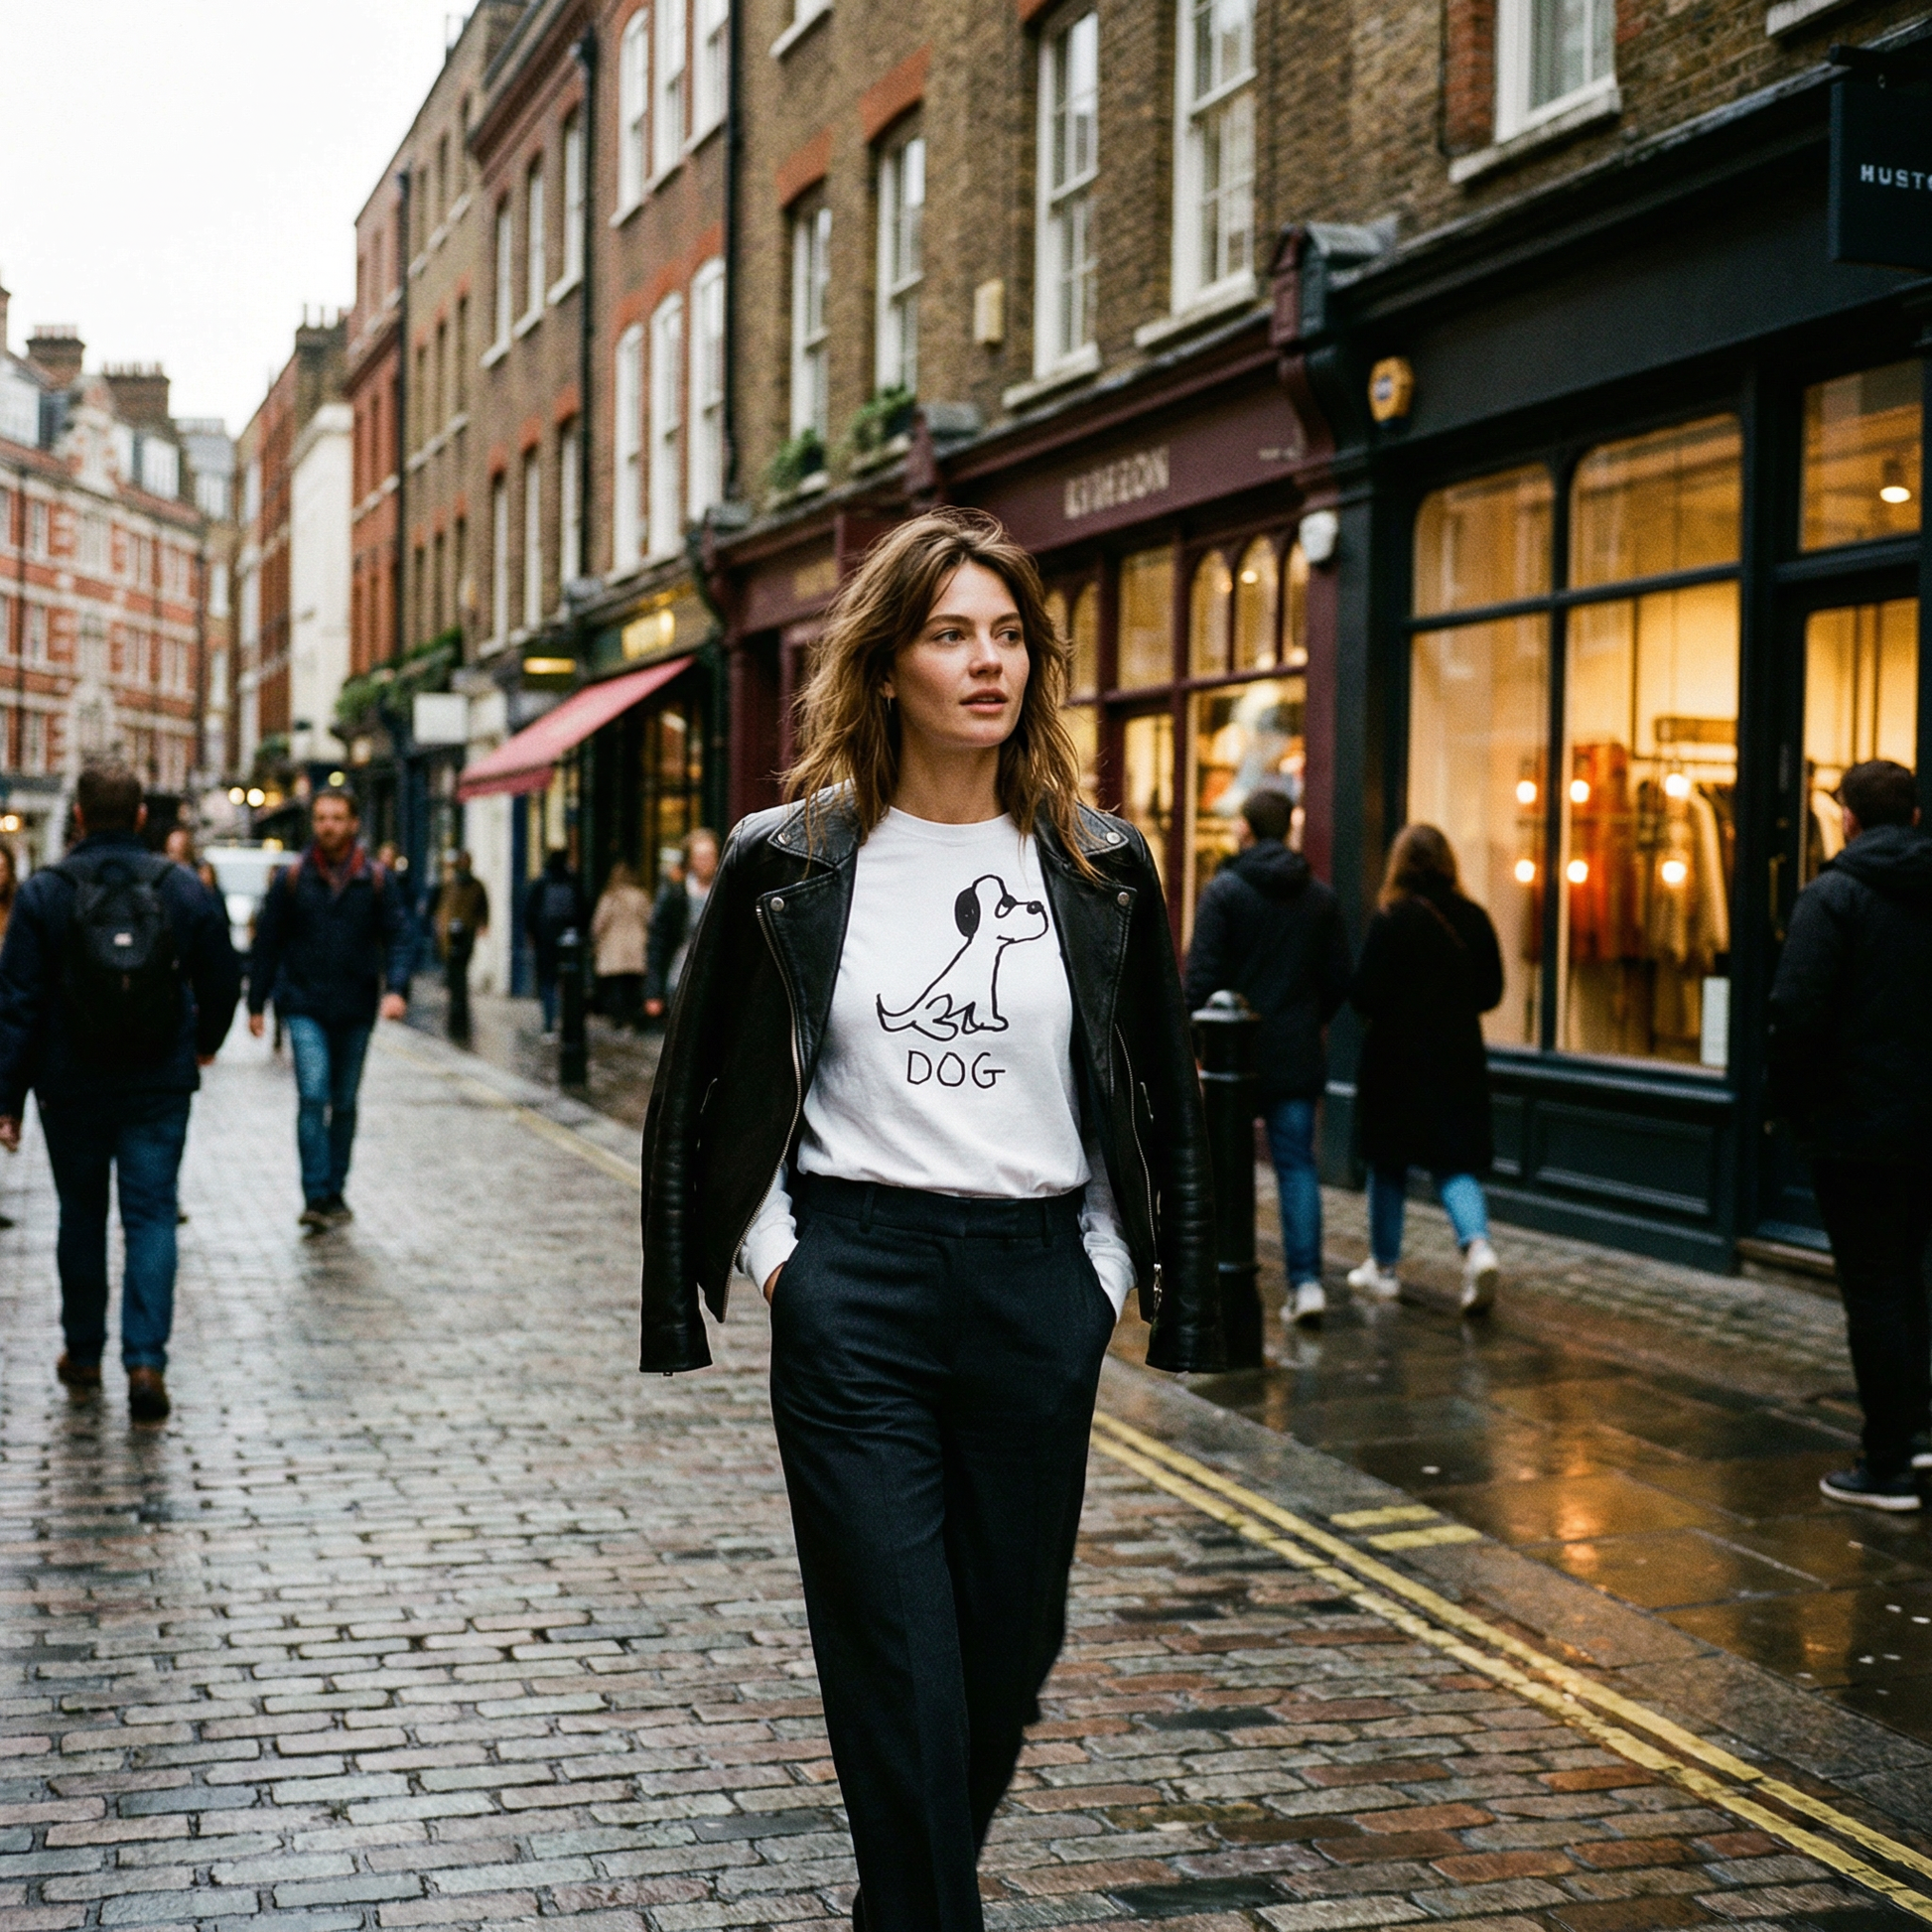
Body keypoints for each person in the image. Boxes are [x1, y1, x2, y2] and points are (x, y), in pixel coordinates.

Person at [639, 508, 1220, 1932]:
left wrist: (1106, 1269)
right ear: (887, 661)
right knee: (898, 1655)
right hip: (858, 1286)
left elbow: (1158, 1094)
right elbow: (701, 1089)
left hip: (1038, 1285)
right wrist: (780, 1262)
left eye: (1009, 634)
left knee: (1004, 1653)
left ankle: (901, 1894)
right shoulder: (789, 857)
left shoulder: (1100, 864)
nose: (987, 662)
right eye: (951, 633)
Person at [0, 762, 239, 1422]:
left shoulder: (45, 892)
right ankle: (145, 1362)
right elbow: (224, 976)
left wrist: (7, 1099)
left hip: (70, 1084)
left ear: (77, 815)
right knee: (152, 1215)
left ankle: (82, 1353)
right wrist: (204, 1040)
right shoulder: (181, 887)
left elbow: (16, 1001)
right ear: (141, 818)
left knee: (80, 1216)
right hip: (158, 1079)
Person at [1769, 759, 1932, 1512]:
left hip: (1858, 1130)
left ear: (1849, 819)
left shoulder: (1831, 897)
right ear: (1916, 818)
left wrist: (1801, 1111)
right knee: (1910, 1280)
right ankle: (1919, 1432)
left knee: (1873, 1289)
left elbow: (1795, 1016)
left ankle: (1887, 1461)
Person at [1184, 785, 1351, 1327]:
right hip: (1296, 1051)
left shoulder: (1225, 891)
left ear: (1247, 829)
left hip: (1234, 1059)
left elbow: (1201, 979)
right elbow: (1338, 979)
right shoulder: (1319, 897)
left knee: (1227, 1171)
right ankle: (1306, 1285)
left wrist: (1192, 1047)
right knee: (1297, 1166)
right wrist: (1307, 1018)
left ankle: (1218, 1279)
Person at [1346, 823, 1504, 1314]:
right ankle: (1477, 1249)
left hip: (1395, 1061)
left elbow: (1364, 992)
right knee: (1454, 1163)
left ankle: (1384, 1268)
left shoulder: (1392, 919)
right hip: (1456, 1058)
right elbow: (1491, 992)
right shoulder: (1474, 917)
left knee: (1388, 1166)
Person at [247, 786, 412, 1228]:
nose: (328, 826)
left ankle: (336, 1190)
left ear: (354, 823)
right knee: (312, 1095)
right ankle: (316, 1196)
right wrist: (256, 1002)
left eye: (337, 817)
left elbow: (398, 936)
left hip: (356, 1007)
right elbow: (268, 941)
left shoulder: (375, 879)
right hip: (303, 1005)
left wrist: (397, 988)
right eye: (321, 818)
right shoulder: (293, 878)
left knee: (344, 1103)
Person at [643, 828, 719, 1020]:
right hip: (680, 975)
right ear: (690, 860)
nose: (705, 862)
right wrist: (653, 992)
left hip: (717, 979)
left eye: (709, 856)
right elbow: (657, 941)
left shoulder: (725, 890)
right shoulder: (674, 893)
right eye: (699, 856)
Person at [523, 849, 585, 1039]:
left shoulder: (541, 883)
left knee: (548, 983)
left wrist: (533, 936)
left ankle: (549, 1024)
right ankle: (568, 1024)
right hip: (570, 941)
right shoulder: (573, 882)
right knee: (569, 983)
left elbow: (529, 913)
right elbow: (583, 911)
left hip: (546, 941)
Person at [432, 850, 489, 1039]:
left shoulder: (476, 886)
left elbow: (483, 908)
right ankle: (455, 1011)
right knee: (453, 974)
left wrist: (483, 925)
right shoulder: (450, 884)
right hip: (449, 937)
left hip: (466, 935)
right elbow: (441, 909)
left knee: (461, 974)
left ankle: (459, 1012)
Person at [590, 861, 651, 1031]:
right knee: (632, 985)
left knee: (616, 986)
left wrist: (595, 939)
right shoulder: (641, 896)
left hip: (614, 948)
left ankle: (619, 1019)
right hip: (635, 946)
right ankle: (632, 1018)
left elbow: (598, 924)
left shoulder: (610, 897)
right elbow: (650, 919)